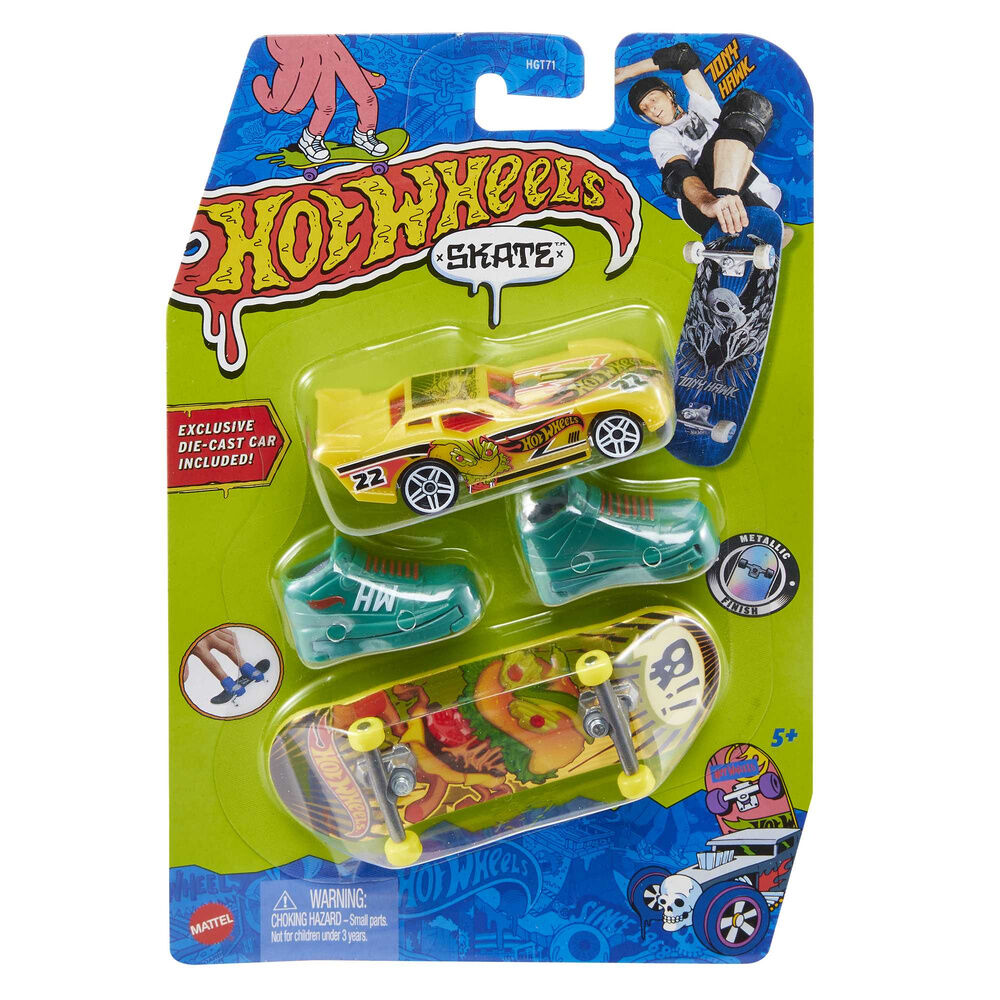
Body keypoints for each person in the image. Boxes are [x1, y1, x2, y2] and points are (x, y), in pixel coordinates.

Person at [616, 42, 789, 244]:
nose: (652, 109)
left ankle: (751, 221)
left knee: (751, 104)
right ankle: (728, 204)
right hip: (700, 205)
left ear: (669, 94)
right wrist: (707, 203)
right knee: (699, 164)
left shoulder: (703, 108)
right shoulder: (661, 136)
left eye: (653, 99)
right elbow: (679, 172)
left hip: (748, 192)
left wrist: (625, 72)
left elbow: (683, 56)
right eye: (645, 109)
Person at [253, 35, 389, 164]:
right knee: (324, 106)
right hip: (308, 46)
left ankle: (364, 134)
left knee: (367, 98)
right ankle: (310, 139)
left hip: (328, 44)